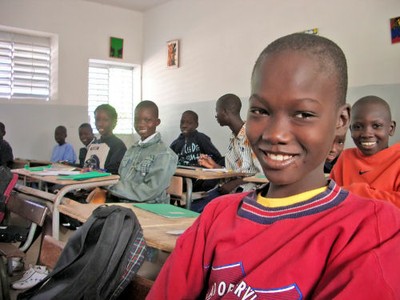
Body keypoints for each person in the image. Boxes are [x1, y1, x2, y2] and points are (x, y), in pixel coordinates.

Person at [147, 33, 400, 299]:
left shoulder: (375, 229)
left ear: (341, 120)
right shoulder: (216, 216)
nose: (275, 134)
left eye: (303, 114)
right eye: (261, 111)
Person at [192, 94, 261, 212]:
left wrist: (234, 184)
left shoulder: (252, 136)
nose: (216, 115)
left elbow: (262, 176)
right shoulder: (233, 138)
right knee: (192, 207)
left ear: (224, 112)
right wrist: (215, 166)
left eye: (217, 111)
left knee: (204, 212)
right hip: (227, 188)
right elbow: (234, 172)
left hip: (245, 191)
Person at [331, 95, 400, 206]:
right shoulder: (346, 157)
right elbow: (330, 198)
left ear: (391, 128)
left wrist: (353, 192)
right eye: (358, 127)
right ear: (350, 129)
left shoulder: (397, 160)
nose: (367, 134)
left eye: (376, 126)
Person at [106, 100, 178, 203]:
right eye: (137, 120)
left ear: (157, 122)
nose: (140, 124)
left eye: (147, 120)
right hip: (124, 202)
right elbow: (121, 178)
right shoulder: (132, 149)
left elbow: (149, 192)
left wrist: (111, 185)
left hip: (149, 208)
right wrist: (104, 181)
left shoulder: (164, 154)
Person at [85, 104, 127, 174]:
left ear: (114, 122)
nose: (100, 124)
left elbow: (113, 172)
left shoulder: (118, 146)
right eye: (97, 119)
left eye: (105, 120)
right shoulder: (94, 144)